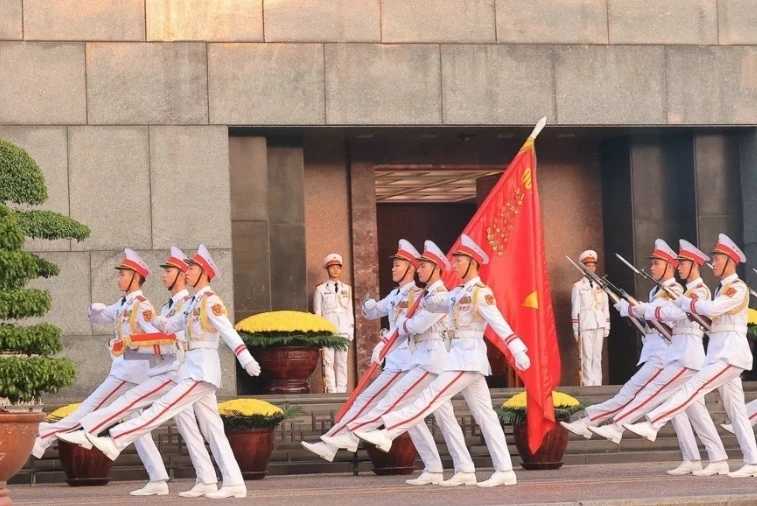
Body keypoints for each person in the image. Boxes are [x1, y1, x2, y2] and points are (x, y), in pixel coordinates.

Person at [85, 244, 263, 498]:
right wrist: (151, 320)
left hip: (201, 370)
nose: (187, 272)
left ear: (205, 273)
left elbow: (228, 331)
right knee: (213, 429)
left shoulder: (210, 301)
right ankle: (231, 481)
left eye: (192, 268)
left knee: (163, 407)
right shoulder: (193, 303)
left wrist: (245, 359)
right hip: (193, 367)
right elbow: (169, 325)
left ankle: (117, 440)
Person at [355, 234, 531, 488]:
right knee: (486, 416)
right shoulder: (459, 292)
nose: (455, 265)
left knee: (430, 397)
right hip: (459, 357)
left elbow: (498, 322)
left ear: (472, 262)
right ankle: (502, 469)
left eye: (459, 260)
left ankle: (388, 432)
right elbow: (439, 302)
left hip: (467, 360)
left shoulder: (481, 293)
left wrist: (517, 349)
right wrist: (424, 293)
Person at [58, 247, 220, 497]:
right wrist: (129, 347)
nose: (166, 275)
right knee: (188, 427)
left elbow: (173, 340)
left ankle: (90, 430)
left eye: (171, 270)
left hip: (181, 371)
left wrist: (133, 345)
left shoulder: (188, 305)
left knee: (169, 419)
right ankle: (199, 479)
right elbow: (158, 343)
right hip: (174, 370)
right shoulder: (167, 308)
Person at [321, 240, 475, 486]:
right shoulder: (419, 295)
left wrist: (391, 335)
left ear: (435, 268)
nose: (419, 269)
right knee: (430, 416)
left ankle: (353, 434)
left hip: (432, 360)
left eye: (422, 265)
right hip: (421, 357)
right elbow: (388, 318)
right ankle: (446, 467)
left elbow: (415, 325)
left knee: (398, 403)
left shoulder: (438, 295)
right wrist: (384, 329)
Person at [31, 249, 167, 494]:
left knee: (89, 407)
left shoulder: (142, 306)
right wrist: (95, 309)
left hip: (128, 373)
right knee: (138, 427)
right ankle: (158, 478)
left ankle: (44, 436)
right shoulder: (124, 303)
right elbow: (102, 316)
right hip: (127, 372)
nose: (119, 278)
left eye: (124, 273)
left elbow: (157, 340)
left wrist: (126, 346)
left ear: (135, 277)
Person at [588, 240, 728, 476]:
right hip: (680, 353)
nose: (679, 266)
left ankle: (619, 425)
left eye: (682, 262)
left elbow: (673, 313)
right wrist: (642, 309)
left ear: (693, 264)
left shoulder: (699, 291)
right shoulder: (685, 291)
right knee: (692, 412)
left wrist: (644, 309)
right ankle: (708, 458)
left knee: (654, 390)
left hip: (687, 357)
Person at [624, 234, 757, 478]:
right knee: (736, 411)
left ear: (730, 261)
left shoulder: (736, 288)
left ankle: (654, 422)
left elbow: (712, 309)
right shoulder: (721, 288)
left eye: (717, 259)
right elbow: (708, 319)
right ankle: (743, 461)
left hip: (729, 356)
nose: (713, 263)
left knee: (692, 389)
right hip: (719, 354)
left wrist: (686, 304)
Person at [301, 239, 421, 462]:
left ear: (411, 268)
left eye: (398, 264)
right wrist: (368, 305)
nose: (393, 268)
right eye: (393, 264)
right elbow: (372, 312)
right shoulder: (396, 295)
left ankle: (341, 439)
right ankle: (437, 466)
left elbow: (408, 329)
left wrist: (384, 344)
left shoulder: (417, 296)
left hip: (410, 361)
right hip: (397, 360)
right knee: (420, 419)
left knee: (370, 400)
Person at [562, 240, 678, 439]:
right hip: (657, 353)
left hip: (664, 356)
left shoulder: (673, 291)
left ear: (669, 265)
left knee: (631, 393)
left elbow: (658, 315)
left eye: (656, 263)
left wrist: (631, 309)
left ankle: (601, 424)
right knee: (687, 413)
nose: (651, 267)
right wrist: (630, 309)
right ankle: (703, 457)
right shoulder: (657, 291)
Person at [314, 253, 354, 393]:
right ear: (327, 269)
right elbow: (317, 313)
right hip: (328, 329)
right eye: (332, 267)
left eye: (338, 267)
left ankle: (342, 389)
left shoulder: (347, 289)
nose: (335, 270)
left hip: (343, 328)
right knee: (328, 361)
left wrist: (350, 332)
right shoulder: (321, 289)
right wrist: (320, 333)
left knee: (342, 362)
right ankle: (331, 389)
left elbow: (350, 311)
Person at [571, 249, 610, 386]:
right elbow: (575, 309)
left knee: (597, 356)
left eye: (593, 265)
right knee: (586, 356)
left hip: (599, 323)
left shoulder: (601, 285)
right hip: (585, 324)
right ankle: (588, 384)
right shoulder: (578, 287)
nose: (591, 268)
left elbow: (605, 308)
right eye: (588, 266)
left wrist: (607, 325)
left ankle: (597, 383)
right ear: (583, 267)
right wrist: (576, 329)